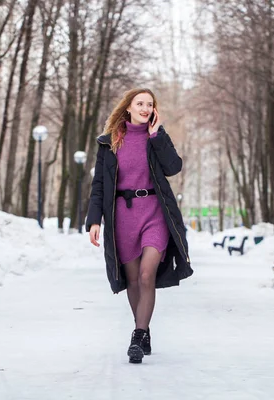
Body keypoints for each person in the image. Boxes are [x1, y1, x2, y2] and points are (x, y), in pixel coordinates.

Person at [85, 88, 193, 364]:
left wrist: (158, 135)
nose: (145, 108)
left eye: (149, 104)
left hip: (155, 212)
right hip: (122, 216)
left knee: (147, 276)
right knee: (133, 280)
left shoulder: (155, 137)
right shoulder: (109, 143)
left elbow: (174, 167)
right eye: (140, 104)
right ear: (128, 108)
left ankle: (138, 333)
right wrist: (94, 220)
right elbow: (99, 186)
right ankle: (143, 331)